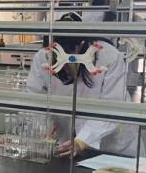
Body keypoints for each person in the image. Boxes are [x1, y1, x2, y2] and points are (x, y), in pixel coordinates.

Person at [26, 12, 137, 157]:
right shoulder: (43, 57)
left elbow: (113, 106)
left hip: (112, 147)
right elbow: (34, 99)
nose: (66, 65)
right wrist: (41, 127)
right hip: (65, 145)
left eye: (70, 55)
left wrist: (82, 140)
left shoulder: (108, 57)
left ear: (82, 46)